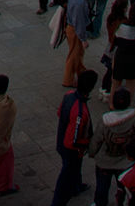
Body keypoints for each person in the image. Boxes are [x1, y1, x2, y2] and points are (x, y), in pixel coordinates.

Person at [49, 69, 96, 206]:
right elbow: (72, 141)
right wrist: (87, 142)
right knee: (66, 178)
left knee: (75, 168)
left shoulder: (69, 95)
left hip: (61, 141)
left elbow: (59, 112)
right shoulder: (80, 111)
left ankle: (76, 186)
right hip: (71, 149)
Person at [90, 88, 135, 204]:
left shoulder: (105, 121)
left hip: (105, 162)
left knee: (102, 187)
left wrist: (92, 152)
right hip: (126, 161)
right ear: (129, 102)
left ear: (113, 103)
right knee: (124, 187)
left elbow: (97, 140)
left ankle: (100, 203)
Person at [62, 0, 95, 89]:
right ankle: (68, 80)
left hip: (73, 28)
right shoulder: (79, 2)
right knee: (74, 54)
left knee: (78, 53)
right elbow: (79, 23)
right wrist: (83, 39)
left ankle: (81, 72)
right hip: (75, 30)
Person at [107, 4, 135, 96]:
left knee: (116, 82)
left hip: (121, 58)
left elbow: (116, 41)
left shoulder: (123, 28)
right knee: (131, 82)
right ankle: (127, 102)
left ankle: (112, 103)